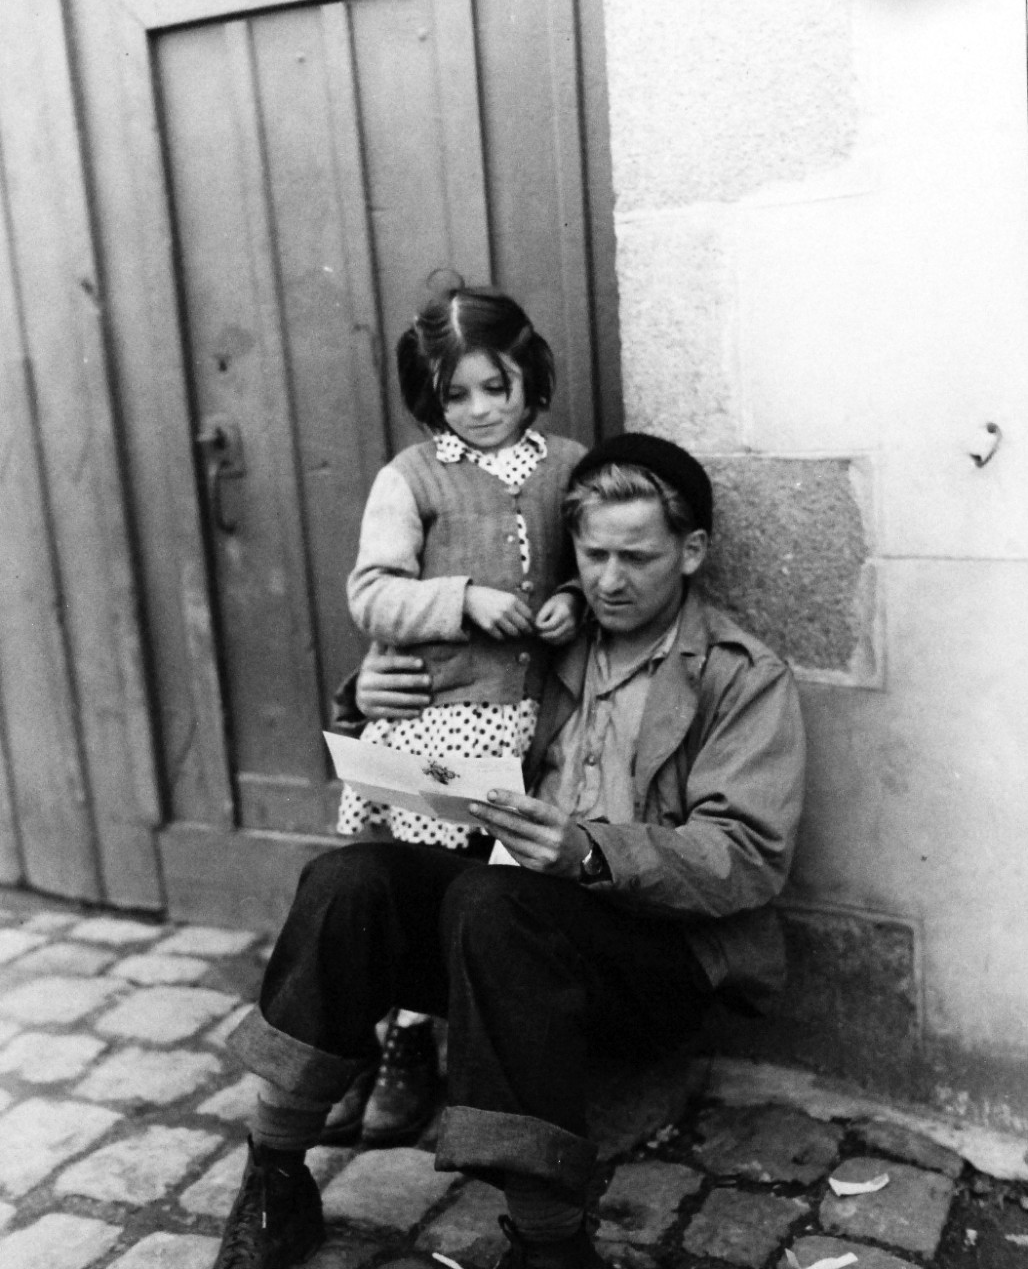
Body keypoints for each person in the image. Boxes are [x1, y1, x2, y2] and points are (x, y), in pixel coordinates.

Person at [214, 433, 806, 1269]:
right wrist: (364, 700)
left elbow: (747, 854)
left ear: (692, 550)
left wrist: (589, 851)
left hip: (655, 958)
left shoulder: (741, 675)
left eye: (636, 557)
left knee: (494, 901)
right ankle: (275, 1173)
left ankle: (549, 1244)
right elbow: (434, 709)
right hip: (505, 932)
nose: (608, 578)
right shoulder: (551, 642)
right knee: (350, 880)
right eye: (592, 554)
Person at [332, 280, 586, 1147]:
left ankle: (485, 1054)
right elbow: (372, 595)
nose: (479, 409)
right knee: (422, 891)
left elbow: (595, 564)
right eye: (456, 394)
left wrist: (573, 605)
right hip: (446, 725)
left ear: (530, 378)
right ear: (429, 399)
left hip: (538, 723)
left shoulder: (568, 466)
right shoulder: (412, 478)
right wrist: (461, 600)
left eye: (497, 387)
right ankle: (401, 1041)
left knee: (501, 893)